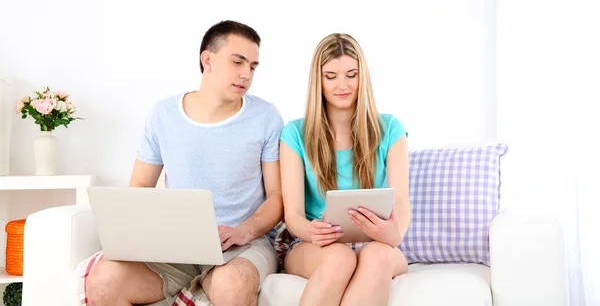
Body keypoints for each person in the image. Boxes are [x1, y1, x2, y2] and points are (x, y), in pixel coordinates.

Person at [86, 20, 284, 306]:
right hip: (177, 246)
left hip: (243, 245)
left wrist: (245, 231)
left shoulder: (266, 116)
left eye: (252, 66)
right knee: (104, 279)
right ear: (208, 59)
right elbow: (140, 184)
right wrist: (139, 234)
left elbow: (277, 197)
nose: (246, 74)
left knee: (231, 284)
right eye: (237, 62)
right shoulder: (163, 114)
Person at [279, 33, 411, 306]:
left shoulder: (391, 129)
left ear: (363, 77)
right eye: (331, 76)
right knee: (340, 257)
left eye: (351, 74)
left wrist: (393, 234)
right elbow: (292, 215)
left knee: (376, 256)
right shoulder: (294, 133)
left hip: (375, 242)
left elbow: (401, 201)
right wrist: (311, 231)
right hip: (314, 244)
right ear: (319, 80)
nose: (343, 85)